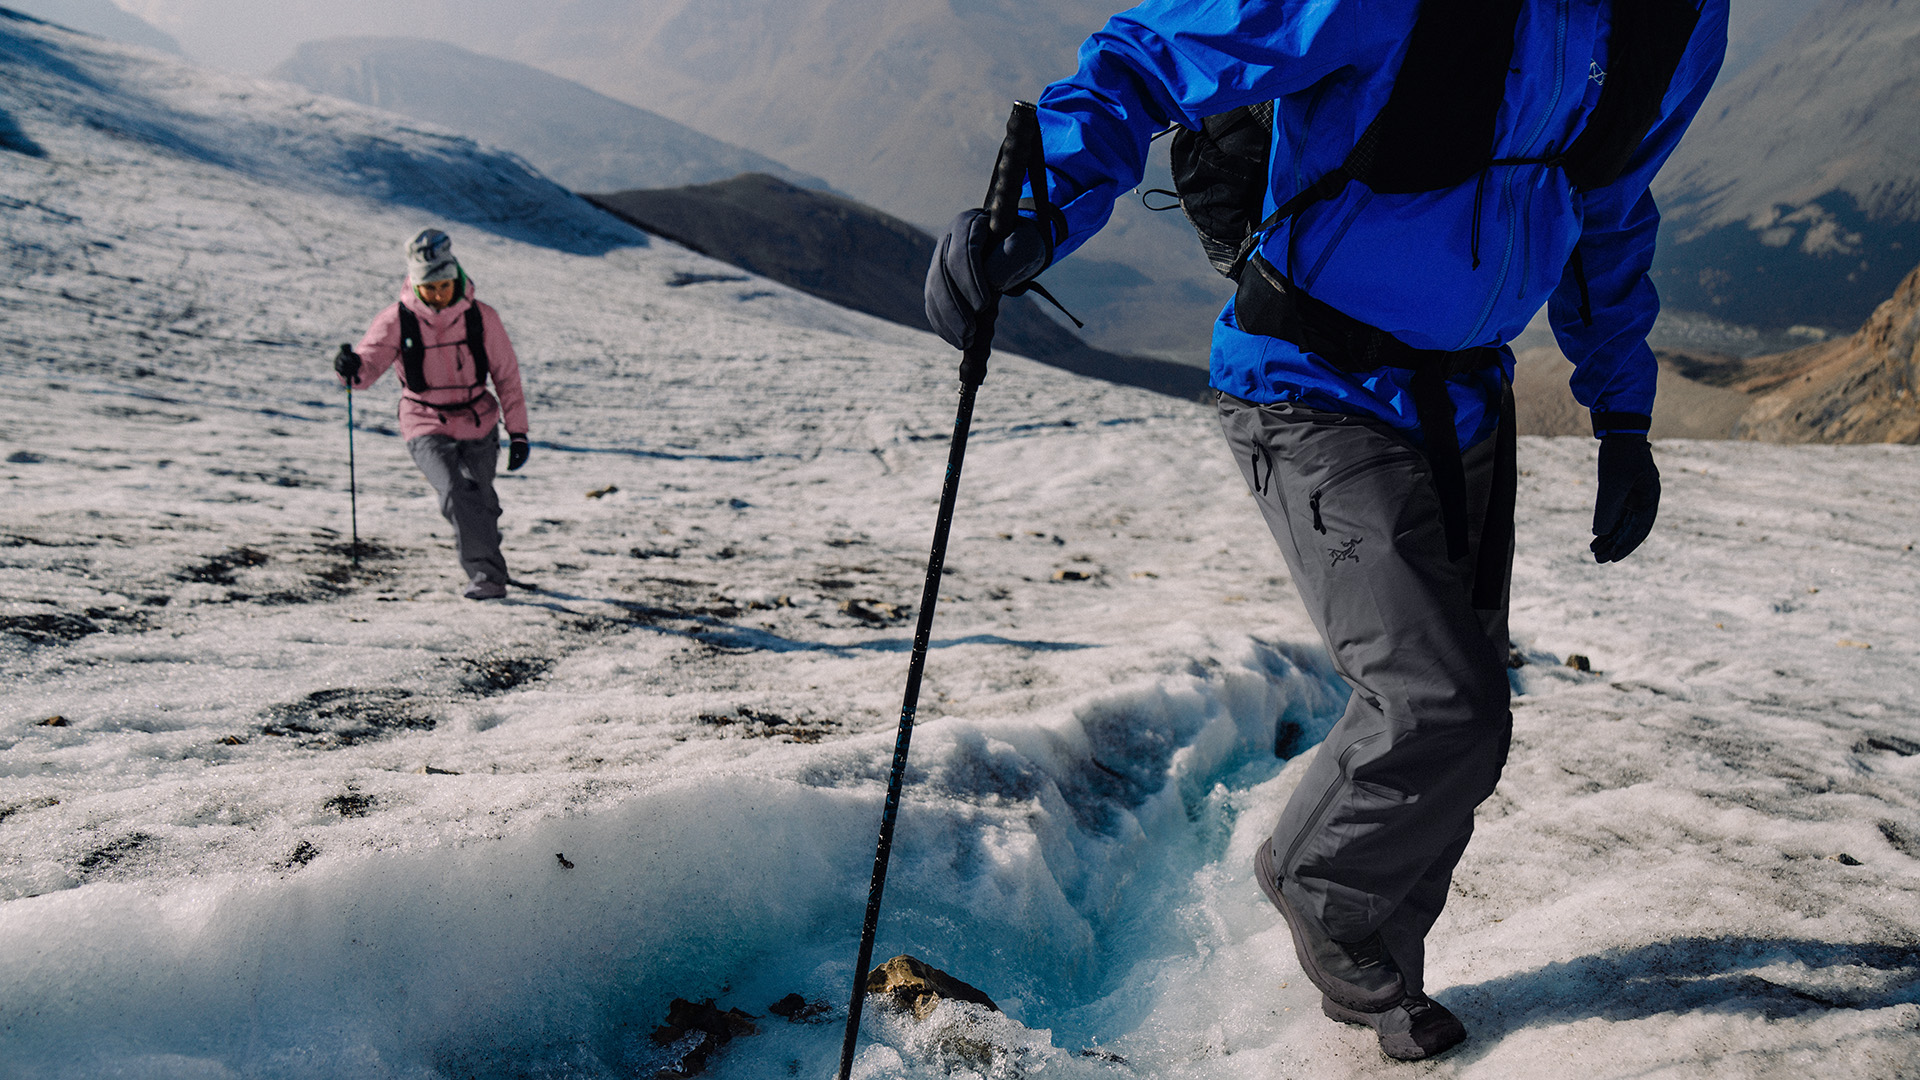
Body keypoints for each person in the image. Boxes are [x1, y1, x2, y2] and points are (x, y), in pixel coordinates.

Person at [926, 0, 1726, 1061]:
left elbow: (1609, 198)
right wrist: (1043, 205)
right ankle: (1318, 884)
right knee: (1438, 702)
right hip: (1312, 381)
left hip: (1467, 395)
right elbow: (1154, 55)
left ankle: (1380, 987)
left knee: (1466, 729)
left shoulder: (1671, 17)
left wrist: (1622, 411)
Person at [335, 228, 530, 600]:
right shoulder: (396, 319)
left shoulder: (482, 317)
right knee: (456, 491)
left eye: (444, 284)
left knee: (479, 495)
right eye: (430, 287)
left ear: (455, 276)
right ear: (415, 284)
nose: (438, 293)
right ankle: (486, 577)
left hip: (478, 419)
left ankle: (486, 555)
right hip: (423, 420)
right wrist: (350, 367)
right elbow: (367, 367)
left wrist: (517, 432)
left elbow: (506, 376)